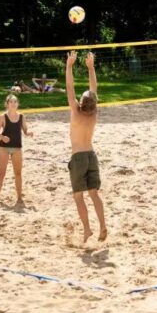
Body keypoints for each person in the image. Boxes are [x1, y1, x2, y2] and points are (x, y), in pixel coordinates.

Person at [65, 51, 107, 242]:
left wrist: (69, 66)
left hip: (78, 158)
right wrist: (91, 67)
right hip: (92, 156)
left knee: (78, 196)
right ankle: (103, 226)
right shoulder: (94, 113)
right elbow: (93, 90)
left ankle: (88, 229)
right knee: (94, 194)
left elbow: (69, 87)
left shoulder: (76, 111)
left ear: (81, 102)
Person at [0, 94, 33, 204]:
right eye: (11, 102)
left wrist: (28, 133)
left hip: (17, 148)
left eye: (15, 102)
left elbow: (25, 130)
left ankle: (19, 197)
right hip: (4, 148)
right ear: (7, 104)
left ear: (18, 104)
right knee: (1, 173)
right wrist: (2, 137)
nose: (13, 104)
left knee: (18, 173)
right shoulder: (2, 117)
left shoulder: (21, 117)